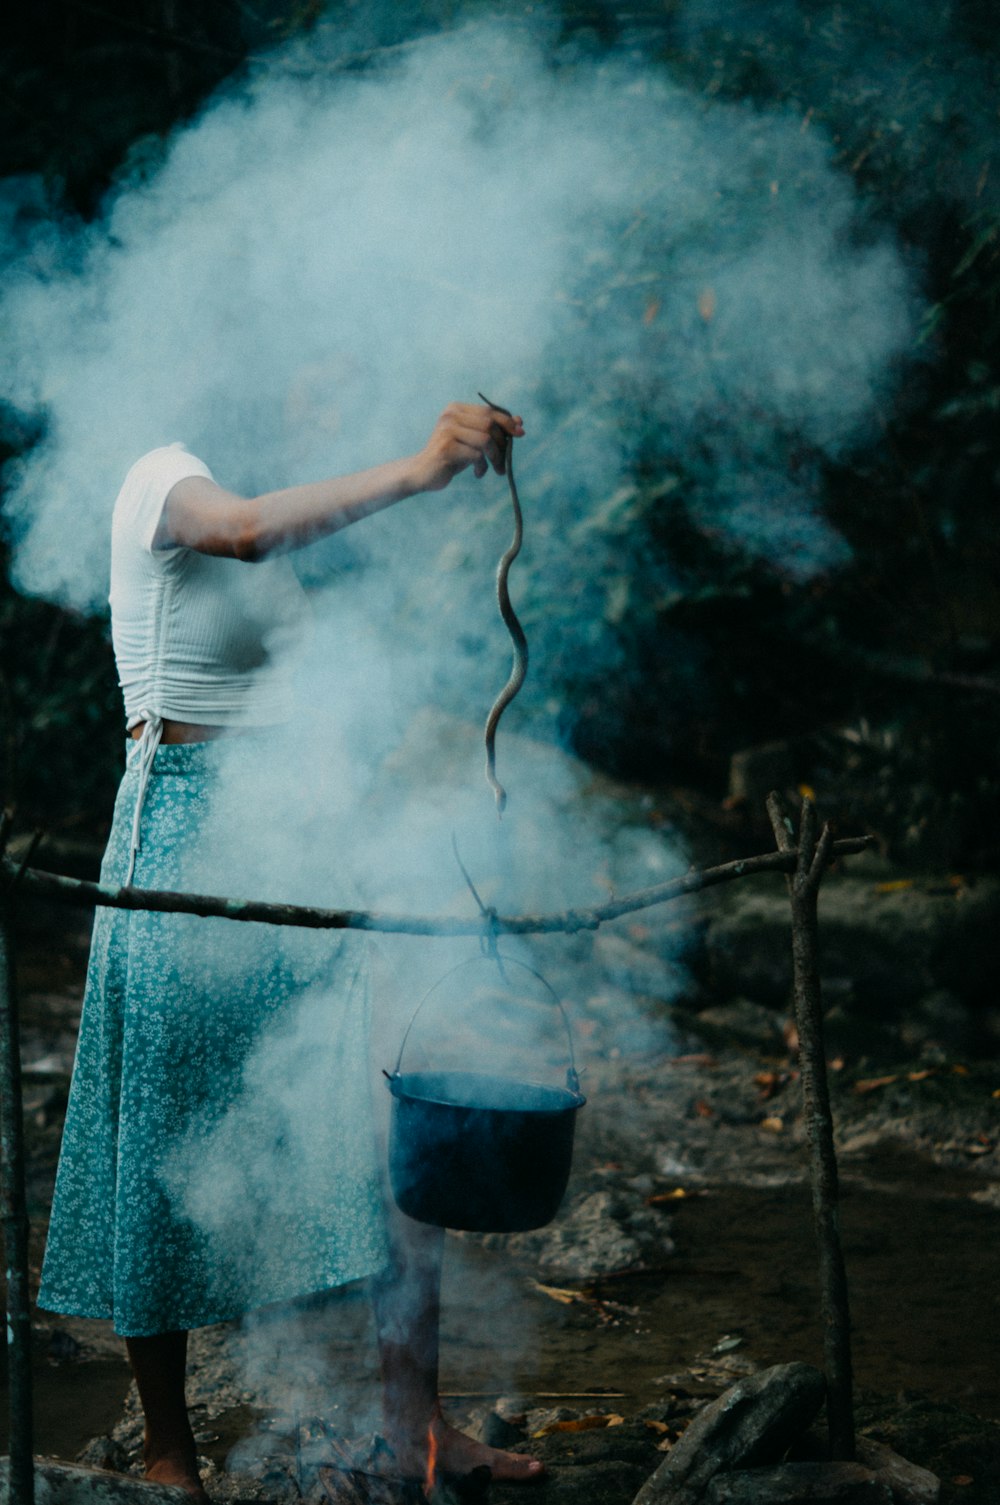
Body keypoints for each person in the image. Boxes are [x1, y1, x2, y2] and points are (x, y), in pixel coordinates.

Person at [37, 402, 545, 1497]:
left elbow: (315, 666)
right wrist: (416, 464)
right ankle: (170, 1454)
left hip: (293, 841)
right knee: (162, 1146)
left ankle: (419, 1424)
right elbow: (250, 529)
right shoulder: (158, 474)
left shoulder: (269, 494)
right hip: (178, 840)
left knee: (384, 1126)